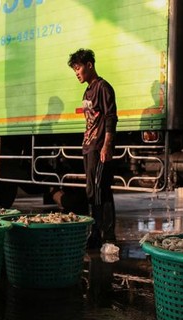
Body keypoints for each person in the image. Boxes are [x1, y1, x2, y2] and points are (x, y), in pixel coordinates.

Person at [68, 48, 117, 248]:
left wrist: (107, 145)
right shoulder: (88, 90)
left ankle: (101, 234)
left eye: (78, 68)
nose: (77, 73)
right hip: (88, 147)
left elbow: (110, 118)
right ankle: (102, 232)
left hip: (98, 147)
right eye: (74, 70)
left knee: (99, 190)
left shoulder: (103, 87)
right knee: (94, 191)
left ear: (89, 65)